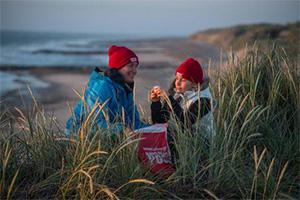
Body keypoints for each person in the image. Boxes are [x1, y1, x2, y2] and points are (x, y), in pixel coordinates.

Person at [65, 45, 148, 135]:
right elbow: (94, 123)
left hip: (109, 135)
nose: (135, 70)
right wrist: (121, 130)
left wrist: (156, 128)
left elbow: (134, 124)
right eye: (130, 66)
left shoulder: (125, 89)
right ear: (118, 67)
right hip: (78, 135)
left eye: (136, 66)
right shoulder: (102, 86)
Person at [149, 57, 215, 142]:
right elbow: (159, 122)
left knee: (168, 135)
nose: (177, 83)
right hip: (184, 140)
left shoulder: (204, 100)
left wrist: (169, 99)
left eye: (183, 80)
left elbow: (184, 123)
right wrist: (156, 103)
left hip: (202, 144)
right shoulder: (178, 95)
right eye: (177, 78)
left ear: (194, 84)